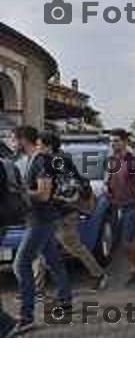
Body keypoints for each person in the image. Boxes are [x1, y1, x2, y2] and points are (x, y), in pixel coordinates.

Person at [12, 127, 72, 336]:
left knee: (20, 265)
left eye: (14, 139)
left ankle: (26, 316)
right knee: (54, 262)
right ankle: (65, 301)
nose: (12, 143)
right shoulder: (30, 160)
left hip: (41, 220)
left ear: (23, 140)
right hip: (38, 219)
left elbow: (44, 194)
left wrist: (22, 192)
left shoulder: (40, 161)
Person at [35, 132, 108, 292]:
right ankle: (37, 287)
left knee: (73, 246)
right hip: (53, 212)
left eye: (39, 144)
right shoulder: (52, 160)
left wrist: (50, 195)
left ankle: (99, 274)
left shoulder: (58, 161)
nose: (37, 148)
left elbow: (67, 185)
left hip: (63, 213)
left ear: (48, 146)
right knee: (41, 248)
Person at [105, 129, 135, 275]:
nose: (113, 144)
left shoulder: (133, 160)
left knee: (128, 240)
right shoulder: (112, 159)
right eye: (111, 141)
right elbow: (108, 178)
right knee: (124, 241)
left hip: (132, 204)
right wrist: (106, 185)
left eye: (116, 141)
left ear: (125, 142)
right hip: (115, 205)